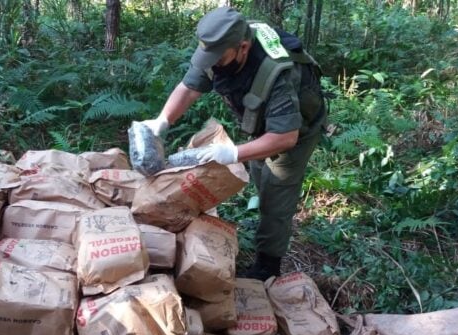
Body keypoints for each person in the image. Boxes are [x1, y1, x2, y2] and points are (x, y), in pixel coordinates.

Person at [140, 6, 327, 281]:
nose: (212, 63)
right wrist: (162, 121)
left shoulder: (276, 72)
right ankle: (264, 223)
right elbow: (189, 87)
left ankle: (268, 267)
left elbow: (286, 137)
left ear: (242, 47)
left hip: (296, 129)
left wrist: (231, 153)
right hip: (264, 124)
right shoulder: (218, 48)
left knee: (275, 193)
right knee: (260, 175)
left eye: (218, 58)